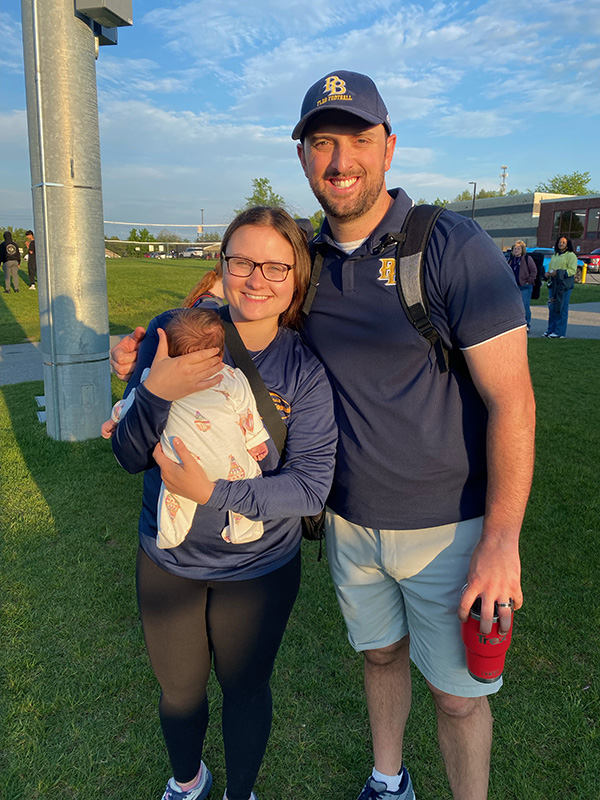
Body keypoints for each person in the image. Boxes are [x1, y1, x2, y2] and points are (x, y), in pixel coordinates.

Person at [111, 71, 536, 800]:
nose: (341, 161)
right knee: (380, 659)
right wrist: (148, 346)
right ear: (304, 157)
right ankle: (386, 779)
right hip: (345, 521)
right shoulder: (298, 260)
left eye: (358, 140)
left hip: (449, 526)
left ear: (389, 147)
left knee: (461, 698)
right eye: (322, 143)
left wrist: (501, 540)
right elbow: (224, 292)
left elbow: (514, 402)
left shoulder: (450, 246)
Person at [111, 206, 337, 800]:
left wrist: (212, 492)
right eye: (241, 261)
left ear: (297, 278)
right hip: (169, 559)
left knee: (245, 689)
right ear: (222, 265)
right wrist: (154, 391)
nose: (256, 278)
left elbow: (310, 486)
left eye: (275, 266)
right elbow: (131, 455)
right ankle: (188, 782)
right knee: (179, 692)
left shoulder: (304, 369)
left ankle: (242, 791)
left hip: (258, 569)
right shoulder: (172, 331)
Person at [102, 307, 270, 549]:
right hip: (229, 461)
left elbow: (132, 402)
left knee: (174, 495)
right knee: (249, 479)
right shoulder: (232, 376)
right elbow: (248, 411)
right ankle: (246, 530)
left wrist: (114, 419)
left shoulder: (156, 376)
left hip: (181, 461)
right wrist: (255, 441)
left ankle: (171, 536)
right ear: (219, 352)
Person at [542, 235, 578, 339]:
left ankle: (560, 332)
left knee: (561, 308)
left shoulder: (571, 255)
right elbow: (551, 268)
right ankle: (550, 329)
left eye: (563, 242)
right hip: (554, 284)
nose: (560, 244)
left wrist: (558, 273)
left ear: (567, 244)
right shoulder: (555, 255)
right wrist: (548, 273)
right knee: (552, 307)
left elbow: (572, 271)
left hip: (564, 285)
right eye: (559, 242)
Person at [507, 240, 537, 331]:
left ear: (522, 250)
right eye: (514, 249)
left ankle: (526, 324)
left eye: (518, 249)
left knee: (524, 305)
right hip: (514, 287)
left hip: (525, 286)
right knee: (515, 306)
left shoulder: (527, 259)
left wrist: (529, 281)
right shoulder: (511, 260)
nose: (516, 250)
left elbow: (534, 270)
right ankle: (516, 325)